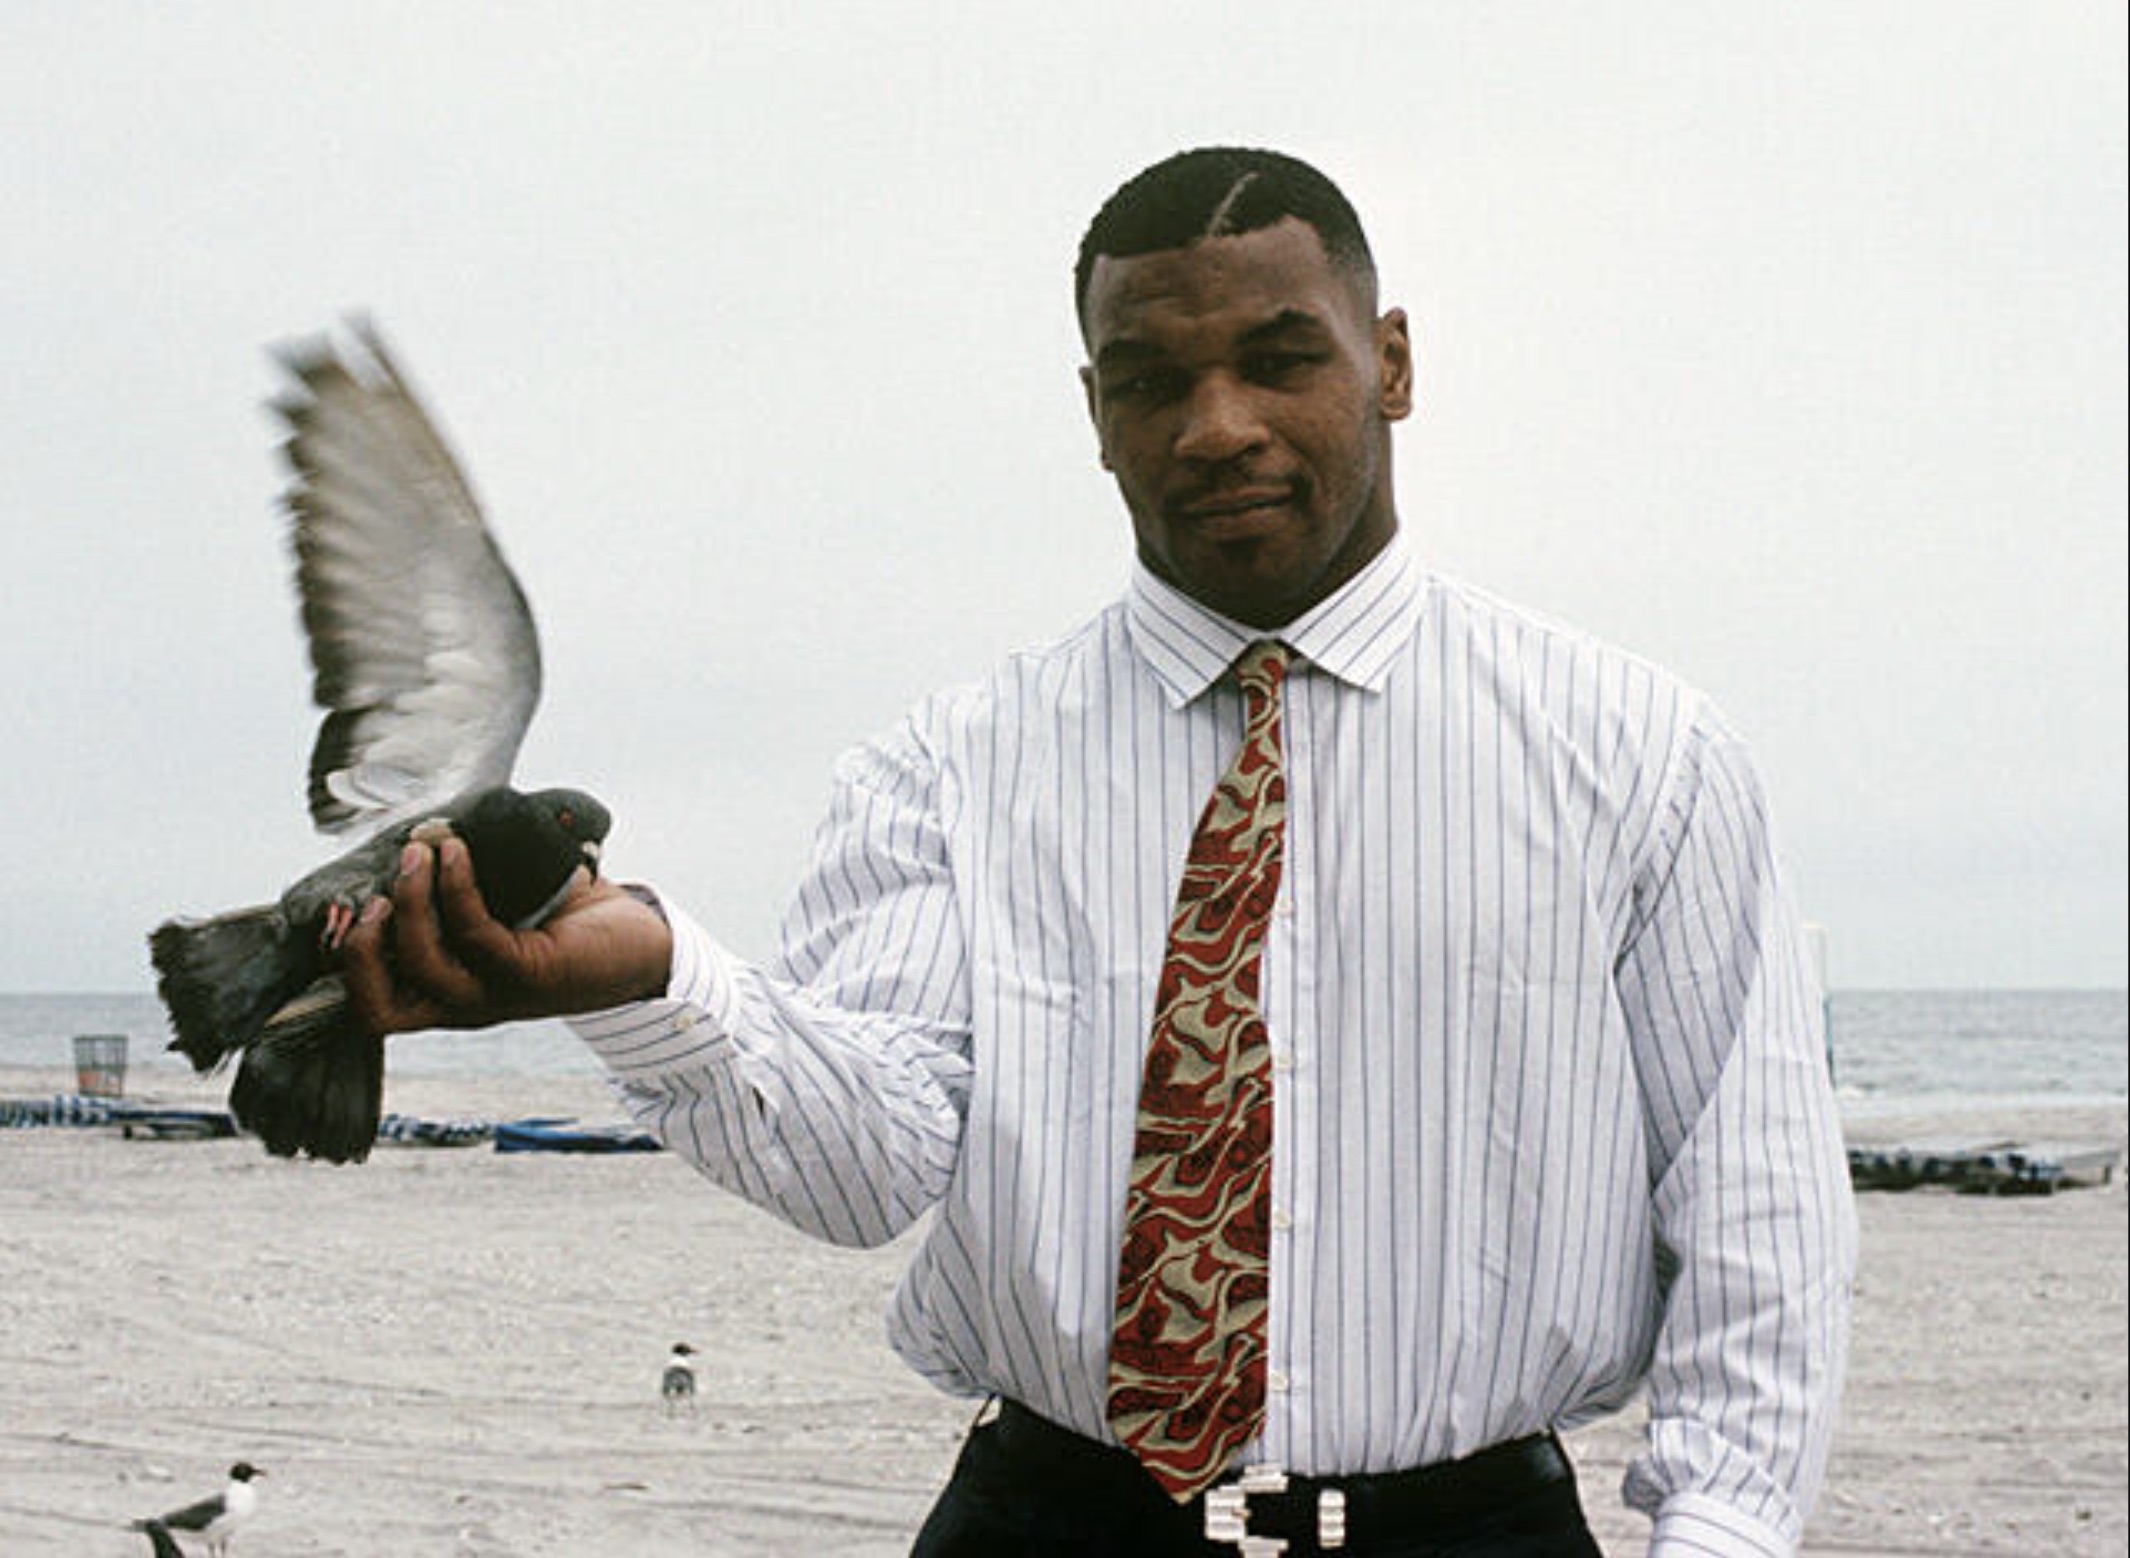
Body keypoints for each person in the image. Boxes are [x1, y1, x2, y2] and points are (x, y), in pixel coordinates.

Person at [344, 146, 1857, 1557]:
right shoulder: (954, 761)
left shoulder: (1635, 754)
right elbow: (863, 1160)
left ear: (1389, 361)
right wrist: (652, 976)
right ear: (1091, 412)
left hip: (1471, 1529)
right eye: (1150, 379)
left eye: (1278, 358)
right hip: (1048, 1519)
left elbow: (1754, 1214)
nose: (1215, 426)